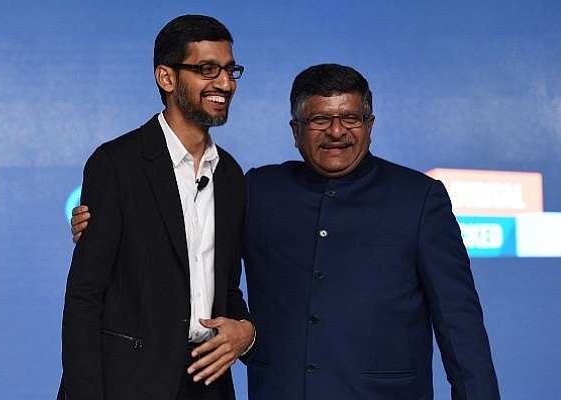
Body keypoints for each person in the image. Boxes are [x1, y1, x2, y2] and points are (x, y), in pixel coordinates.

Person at [71, 63, 500, 399]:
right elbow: (185, 245)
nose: (336, 131)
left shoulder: (419, 198)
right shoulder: (255, 188)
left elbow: (458, 322)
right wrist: (111, 225)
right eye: (319, 120)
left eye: (350, 117)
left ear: (370, 125)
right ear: (295, 132)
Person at [58, 14, 254, 400]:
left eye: (231, 71)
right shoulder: (116, 163)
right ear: (166, 78)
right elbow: (84, 296)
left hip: (206, 383)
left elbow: (226, 287)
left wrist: (246, 330)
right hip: (128, 381)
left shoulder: (230, 175)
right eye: (207, 69)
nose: (225, 84)